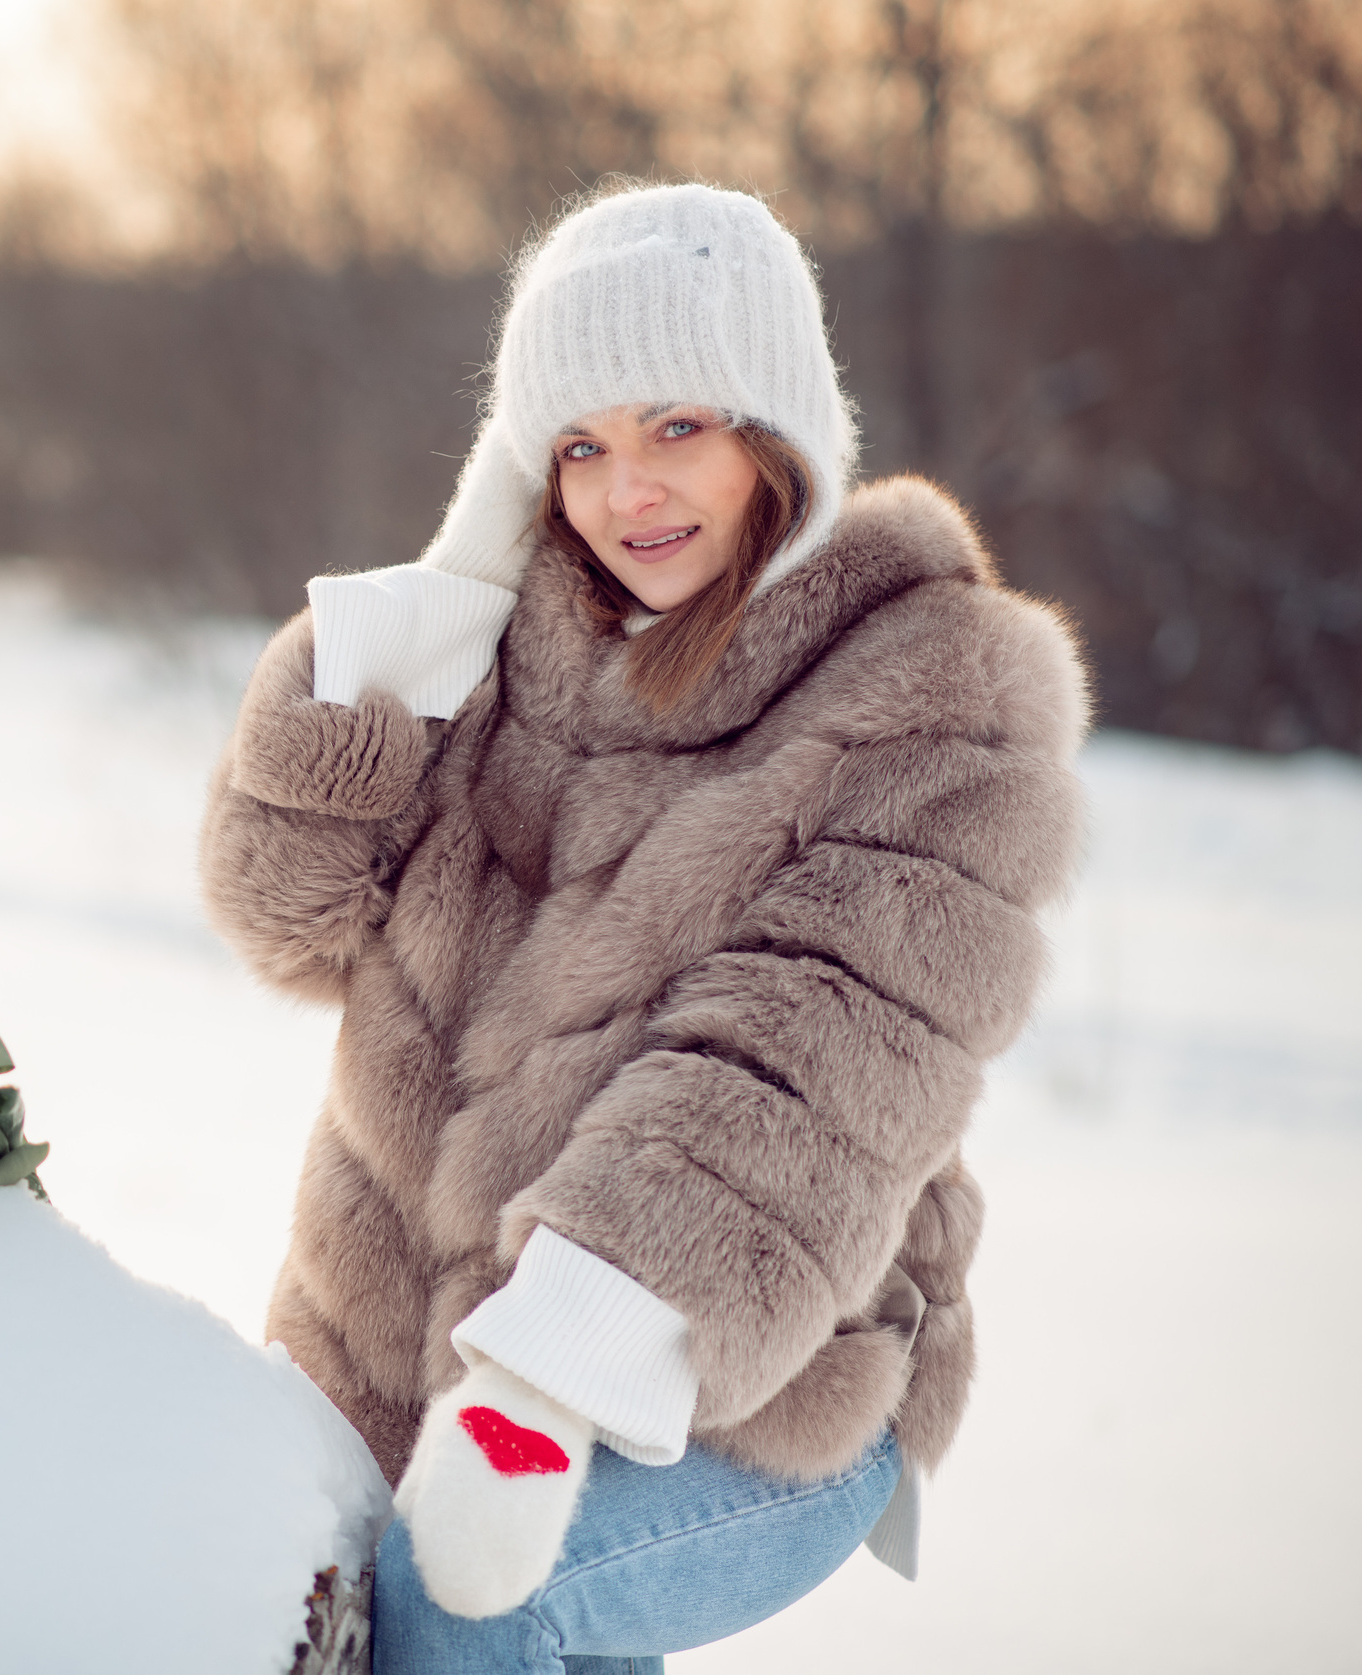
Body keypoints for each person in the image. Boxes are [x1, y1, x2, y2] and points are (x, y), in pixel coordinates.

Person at [198, 180, 1087, 1672]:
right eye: (579, 447)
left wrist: (542, 1392)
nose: (629, 494)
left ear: (777, 435)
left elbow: (799, 1070)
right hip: (396, 1373)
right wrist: (442, 594)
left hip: (750, 1379)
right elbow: (282, 908)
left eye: (677, 425)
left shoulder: (935, 688)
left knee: (476, 1596)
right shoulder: (507, 648)